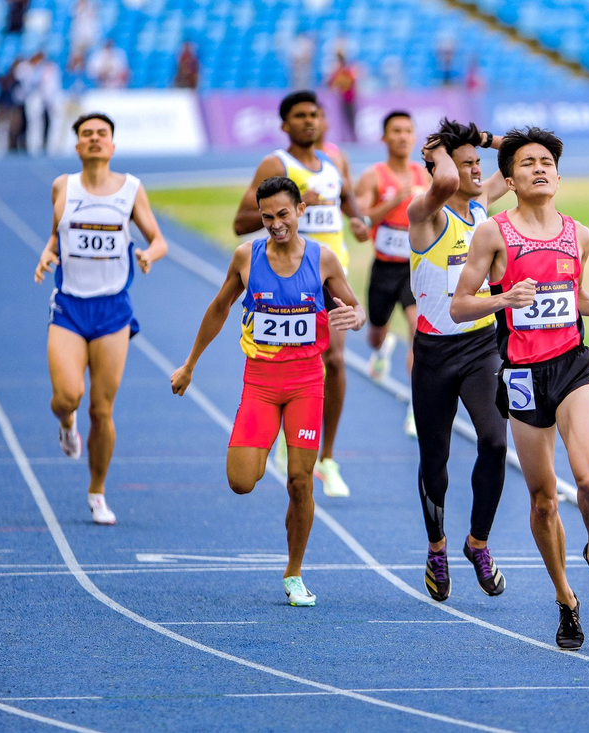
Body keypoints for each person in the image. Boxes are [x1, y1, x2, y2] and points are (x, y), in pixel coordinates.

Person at [451, 126, 589, 650]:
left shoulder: (580, 234)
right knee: (545, 501)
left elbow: (569, 295)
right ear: (509, 178)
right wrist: (503, 301)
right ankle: (566, 601)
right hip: (524, 377)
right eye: (527, 163)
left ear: (558, 174)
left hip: (572, 365)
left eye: (546, 162)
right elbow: (462, 305)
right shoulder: (493, 234)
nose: (538, 169)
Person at [171, 177, 366, 606]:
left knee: (300, 481)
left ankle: (294, 572)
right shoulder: (246, 256)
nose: (276, 224)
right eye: (267, 217)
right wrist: (190, 365)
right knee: (242, 481)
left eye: (283, 214)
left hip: (306, 384)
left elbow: (354, 307)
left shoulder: (323, 258)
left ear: (299, 211)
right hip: (259, 383)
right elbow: (219, 308)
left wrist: (353, 318)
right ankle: (269, 447)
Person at [33, 112, 169, 525]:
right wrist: (48, 250)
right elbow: (57, 232)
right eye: (87, 134)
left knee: (101, 409)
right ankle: (65, 423)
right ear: (77, 146)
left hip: (112, 309)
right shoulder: (63, 185)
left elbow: (159, 239)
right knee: (67, 397)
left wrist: (148, 254)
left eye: (102, 134)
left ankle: (97, 491)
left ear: (112, 145)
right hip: (70, 306)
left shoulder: (130, 190)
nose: (94, 139)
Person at [233, 90, 369, 499]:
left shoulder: (336, 160)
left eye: (315, 114)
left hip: (329, 273)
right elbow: (241, 221)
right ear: (284, 124)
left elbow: (348, 202)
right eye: (300, 115)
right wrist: (298, 203)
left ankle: (326, 457)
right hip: (288, 275)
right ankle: (283, 433)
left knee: (337, 360)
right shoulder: (276, 164)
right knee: (288, 354)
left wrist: (359, 221)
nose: (309, 121)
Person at [403, 118, 511, 602]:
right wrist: (440, 153)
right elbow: (444, 181)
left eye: (477, 164)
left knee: (494, 442)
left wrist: (480, 141)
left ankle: (478, 543)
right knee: (436, 458)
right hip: (433, 353)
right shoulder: (424, 216)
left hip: (479, 345)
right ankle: (437, 547)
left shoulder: (479, 207)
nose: (475, 171)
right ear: (440, 165)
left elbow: (515, 158)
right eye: (466, 164)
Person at [354, 111, 429, 435]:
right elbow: (359, 223)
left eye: (407, 131)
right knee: (375, 334)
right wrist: (393, 201)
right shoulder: (373, 177)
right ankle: (381, 348)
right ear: (384, 137)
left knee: (418, 331)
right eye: (395, 131)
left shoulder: (424, 176)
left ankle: (417, 405)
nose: (402, 136)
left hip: (415, 269)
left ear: (414, 137)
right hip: (384, 269)